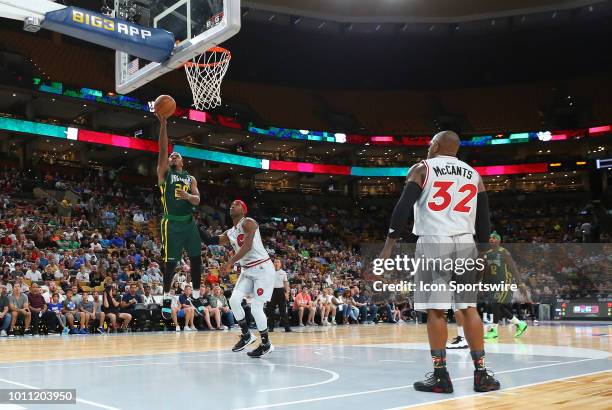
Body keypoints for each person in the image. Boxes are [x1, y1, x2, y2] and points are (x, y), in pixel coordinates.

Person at [380, 130, 500, 393]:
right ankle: (481, 375)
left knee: (436, 310)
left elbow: (402, 207)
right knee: (468, 308)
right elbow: (484, 220)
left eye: (429, 143)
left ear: (434, 146)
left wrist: (388, 246)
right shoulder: (474, 174)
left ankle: (440, 375)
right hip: (466, 243)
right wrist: (481, 254)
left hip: (435, 242)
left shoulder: (422, 168)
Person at [200, 200, 275, 357]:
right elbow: (210, 240)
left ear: (244, 209)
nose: (232, 206)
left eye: (237, 204)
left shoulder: (248, 222)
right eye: (231, 204)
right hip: (247, 270)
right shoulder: (230, 232)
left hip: (262, 268)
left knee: (256, 308)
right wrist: (195, 227)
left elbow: (247, 246)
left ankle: (266, 344)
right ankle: (247, 335)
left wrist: (229, 263)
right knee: (233, 301)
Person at [156, 113, 203, 321]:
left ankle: (195, 295)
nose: (173, 156)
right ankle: (166, 298)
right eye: (171, 156)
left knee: (196, 258)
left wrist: (188, 196)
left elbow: (197, 200)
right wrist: (164, 125)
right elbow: (163, 149)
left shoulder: (190, 177)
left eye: (177, 156)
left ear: (183, 161)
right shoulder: (165, 173)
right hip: (171, 222)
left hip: (189, 222)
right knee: (171, 264)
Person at [483, 232, 528, 340]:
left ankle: (493, 330)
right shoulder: (487, 254)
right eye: (490, 238)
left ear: (499, 241)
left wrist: (520, 283)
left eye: (494, 238)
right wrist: (484, 284)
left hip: (505, 282)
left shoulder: (504, 252)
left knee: (496, 304)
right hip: (494, 284)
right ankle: (519, 324)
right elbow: (487, 271)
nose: (491, 239)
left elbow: (513, 268)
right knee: (501, 307)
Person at [266, 258, 291, 332]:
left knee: (283, 310)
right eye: (275, 262)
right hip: (271, 292)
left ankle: (287, 328)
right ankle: (271, 327)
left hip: (280, 291)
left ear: (280, 264)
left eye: (278, 262)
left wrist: (287, 293)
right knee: (271, 311)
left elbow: (286, 283)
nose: (276, 263)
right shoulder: (269, 272)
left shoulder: (283, 272)